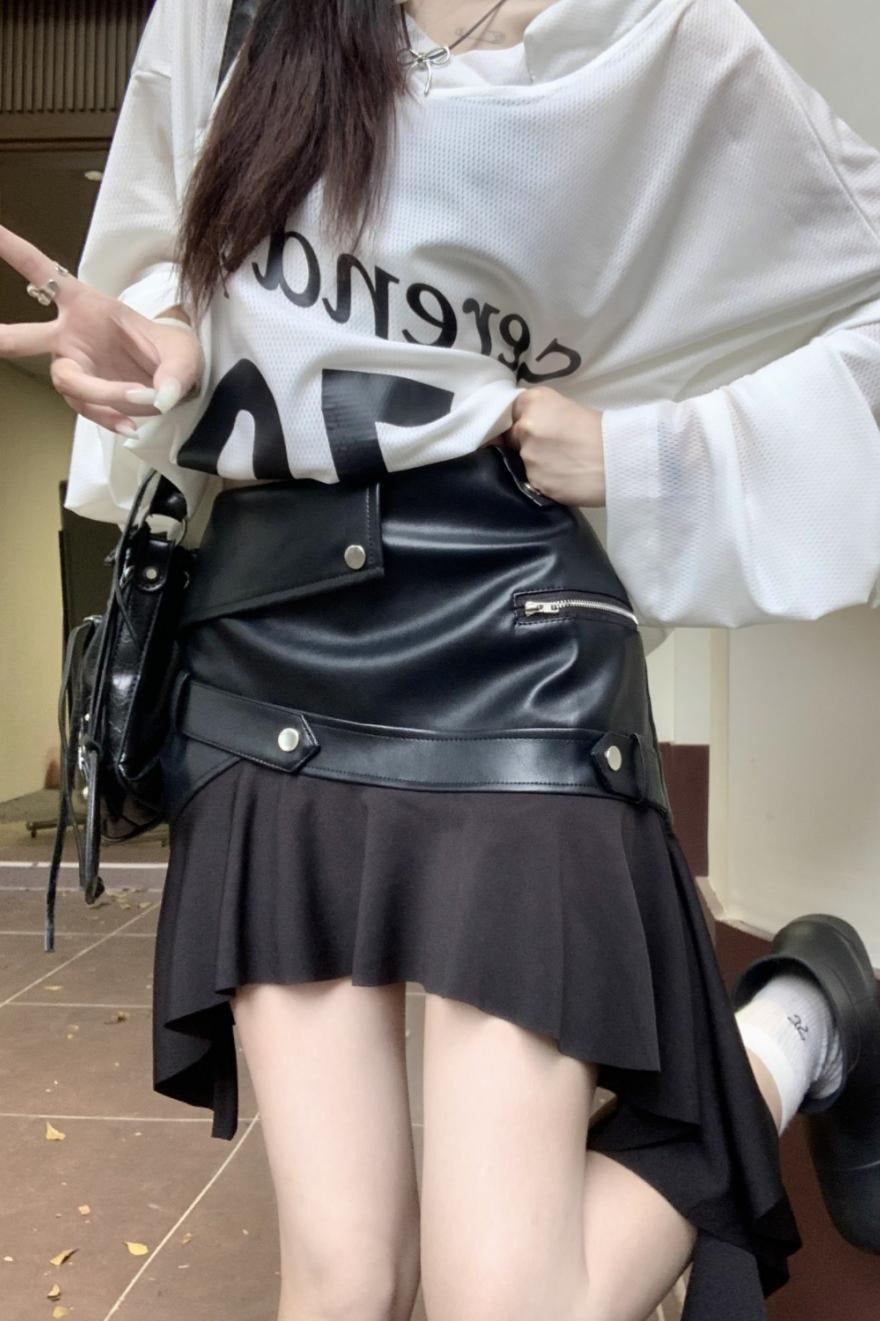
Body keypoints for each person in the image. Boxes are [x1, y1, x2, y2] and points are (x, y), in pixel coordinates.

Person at [1, 1, 878, 1318]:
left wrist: (649, 457)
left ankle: (800, 1019)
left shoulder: (656, 35)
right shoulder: (233, 10)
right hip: (268, 636)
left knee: (508, 1302)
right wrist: (170, 344)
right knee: (343, 1280)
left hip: (518, 631)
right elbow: (166, 263)